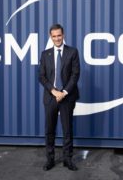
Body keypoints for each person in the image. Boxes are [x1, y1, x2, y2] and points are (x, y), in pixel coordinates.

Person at [39, 24, 80, 171]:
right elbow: (42, 76)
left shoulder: (72, 52)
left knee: (67, 129)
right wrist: (54, 91)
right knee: (50, 129)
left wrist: (64, 92)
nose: (57, 38)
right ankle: (50, 159)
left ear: (63, 35)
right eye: (54, 36)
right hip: (51, 97)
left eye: (59, 35)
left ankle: (67, 159)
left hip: (67, 97)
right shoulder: (45, 54)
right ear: (51, 37)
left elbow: (75, 75)